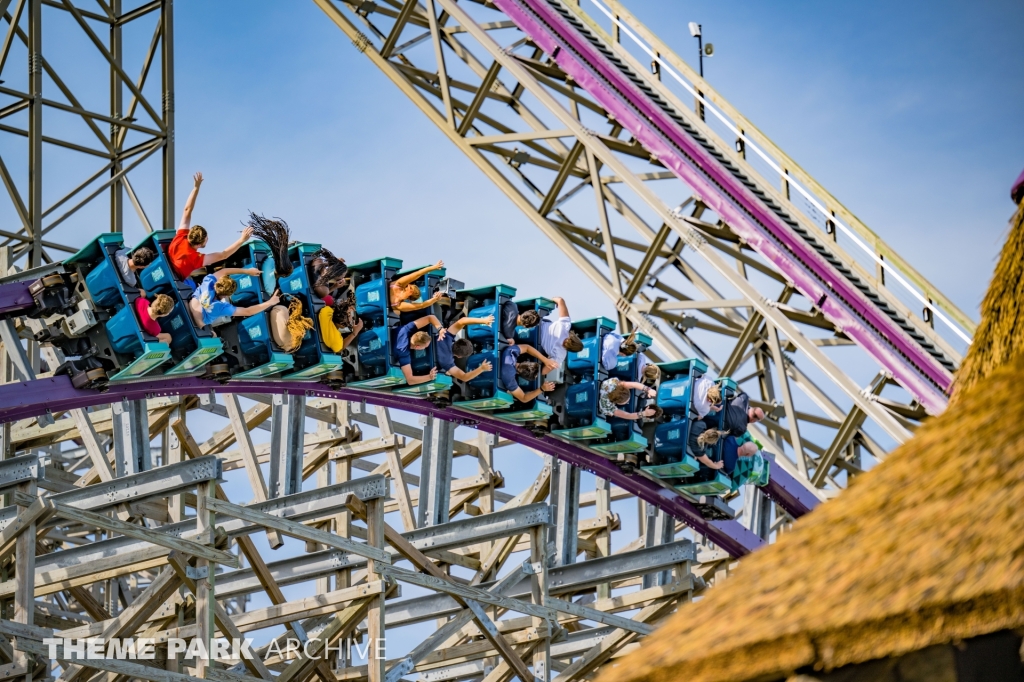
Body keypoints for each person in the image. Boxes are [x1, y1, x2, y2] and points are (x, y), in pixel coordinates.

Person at [168, 172, 253, 284]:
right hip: (177, 282)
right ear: (198, 244)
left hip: (168, 271)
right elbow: (224, 255)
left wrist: (196, 188)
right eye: (206, 240)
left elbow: (187, 210)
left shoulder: (180, 237)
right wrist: (242, 240)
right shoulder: (195, 259)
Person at [188, 267, 280, 328]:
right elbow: (248, 311)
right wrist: (270, 302)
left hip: (187, 307)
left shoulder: (208, 280)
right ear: (227, 295)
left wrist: (247, 271)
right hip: (197, 324)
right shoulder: (221, 307)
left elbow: (224, 271)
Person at [435, 314, 495, 382]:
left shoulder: (445, 336)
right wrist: (481, 368)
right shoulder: (448, 363)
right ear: (459, 356)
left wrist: (484, 320)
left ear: (457, 341)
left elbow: (463, 320)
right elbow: (464, 377)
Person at [393, 314, 445, 386]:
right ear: (417, 347)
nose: (425, 348)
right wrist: (429, 377)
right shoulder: (404, 354)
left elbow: (430, 317)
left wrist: (440, 329)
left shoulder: (406, 329)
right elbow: (410, 380)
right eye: (425, 347)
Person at [536, 297, 584, 370]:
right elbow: (543, 371)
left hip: (535, 325)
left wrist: (552, 301)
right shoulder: (561, 355)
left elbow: (560, 300)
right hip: (533, 343)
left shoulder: (566, 325)